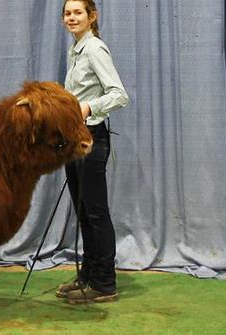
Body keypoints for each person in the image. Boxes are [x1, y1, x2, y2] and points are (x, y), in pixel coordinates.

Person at [56, 0, 129, 304]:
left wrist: (88, 107)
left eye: (78, 13)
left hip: (92, 139)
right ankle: (89, 274)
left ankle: (104, 282)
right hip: (75, 140)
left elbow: (119, 94)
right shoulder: (77, 50)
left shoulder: (95, 49)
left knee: (96, 213)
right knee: (85, 212)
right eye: (67, 13)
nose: (71, 18)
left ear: (92, 16)